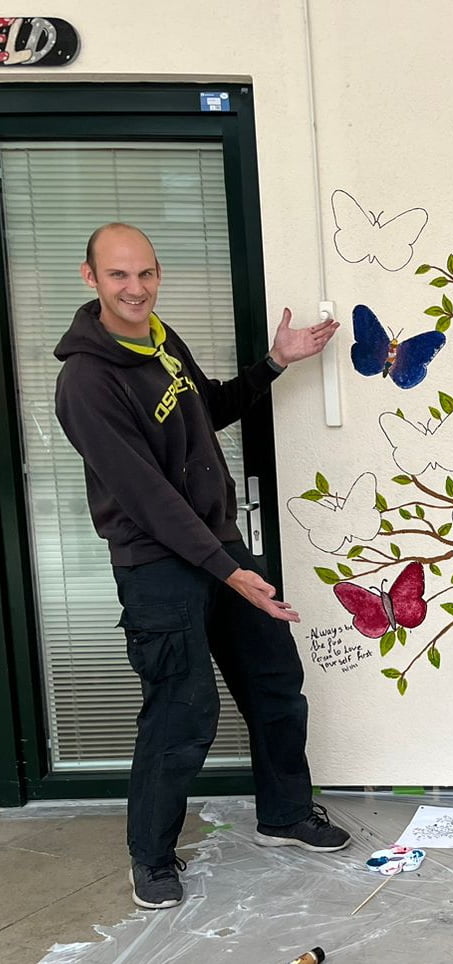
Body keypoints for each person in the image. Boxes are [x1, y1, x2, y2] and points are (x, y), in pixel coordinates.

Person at [54, 223, 348, 910]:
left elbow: (206, 408)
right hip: (159, 567)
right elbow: (148, 498)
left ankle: (284, 814)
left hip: (216, 546)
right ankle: (150, 856)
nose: (136, 288)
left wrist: (273, 365)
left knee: (274, 676)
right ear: (89, 277)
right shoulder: (87, 381)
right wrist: (229, 570)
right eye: (120, 276)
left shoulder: (159, 339)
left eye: (146, 274)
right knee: (182, 712)